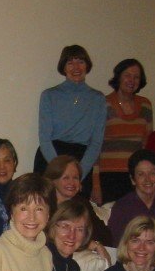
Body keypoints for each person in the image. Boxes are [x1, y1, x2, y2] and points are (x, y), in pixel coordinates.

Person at [35, 44, 106, 200]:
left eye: (80, 61)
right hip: (51, 158)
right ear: (63, 67)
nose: (76, 67)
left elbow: (96, 142)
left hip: (82, 161)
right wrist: (59, 172)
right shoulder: (49, 95)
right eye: (70, 62)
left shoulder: (98, 99)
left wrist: (78, 174)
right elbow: (44, 138)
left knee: (77, 211)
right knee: (45, 208)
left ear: (87, 65)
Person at [92, 59, 153, 205]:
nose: (132, 80)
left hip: (136, 177)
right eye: (127, 75)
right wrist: (96, 185)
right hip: (108, 178)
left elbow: (147, 144)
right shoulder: (103, 104)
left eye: (136, 77)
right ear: (118, 77)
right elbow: (95, 147)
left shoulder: (146, 105)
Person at [42, 155, 113, 246]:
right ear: (53, 180)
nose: (71, 183)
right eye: (66, 178)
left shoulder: (82, 203)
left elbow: (105, 237)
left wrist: (93, 244)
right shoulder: (43, 204)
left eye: (75, 178)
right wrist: (86, 245)